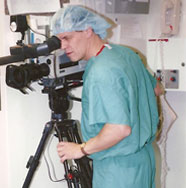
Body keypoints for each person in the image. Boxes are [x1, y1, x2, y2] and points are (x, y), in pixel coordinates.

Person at [50, 5, 163, 188]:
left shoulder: (100, 72)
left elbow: (119, 129)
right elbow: (155, 89)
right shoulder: (124, 53)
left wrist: (80, 149)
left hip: (118, 170)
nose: (63, 46)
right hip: (144, 161)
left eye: (67, 38)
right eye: (60, 40)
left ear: (88, 30)